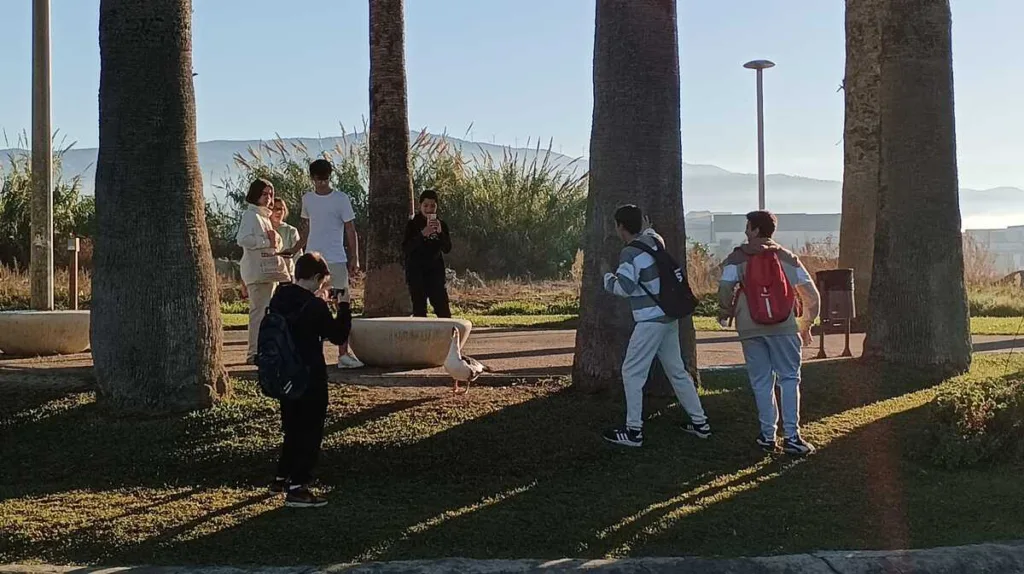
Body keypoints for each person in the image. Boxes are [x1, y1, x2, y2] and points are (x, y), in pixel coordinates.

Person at [602, 205, 710, 448]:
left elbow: (625, 288)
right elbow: (652, 233)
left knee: (631, 373)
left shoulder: (630, 253)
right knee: (677, 371)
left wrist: (606, 277)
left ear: (619, 226)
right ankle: (700, 423)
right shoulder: (653, 241)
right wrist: (646, 225)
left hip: (649, 321)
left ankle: (633, 432)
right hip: (668, 316)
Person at [717, 210, 820, 456]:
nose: (745, 231)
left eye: (747, 227)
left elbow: (724, 287)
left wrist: (724, 311)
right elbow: (811, 294)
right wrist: (806, 323)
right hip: (784, 326)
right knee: (789, 379)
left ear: (754, 230)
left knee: (761, 381)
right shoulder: (786, 257)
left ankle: (767, 435)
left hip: (749, 326)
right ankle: (793, 437)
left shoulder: (737, 257)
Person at [267, 252, 352, 508]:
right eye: (323, 282)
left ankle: (281, 477)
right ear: (317, 278)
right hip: (310, 375)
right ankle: (298, 487)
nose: (323, 287)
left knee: (292, 428)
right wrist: (344, 307)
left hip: (285, 375)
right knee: (310, 431)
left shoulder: (279, 298)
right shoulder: (315, 306)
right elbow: (338, 336)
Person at [285, 159, 364, 369]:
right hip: (312, 258)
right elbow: (306, 229)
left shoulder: (341, 199)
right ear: (312, 178)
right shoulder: (308, 199)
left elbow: (350, 229)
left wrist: (354, 257)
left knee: (342, 301)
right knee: (308, 303)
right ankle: (309, 349)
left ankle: (343, 354)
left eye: (325, 178)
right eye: (318, 179)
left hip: (336, 258)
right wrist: (294, 250)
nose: (321, 183)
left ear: (330, 176)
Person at [236, 178, 288, 364]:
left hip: (268, 271)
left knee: (265, 312)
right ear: (256, 194)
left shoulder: (264, 216)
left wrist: (274, 241)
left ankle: (262, 350)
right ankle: (253, 353)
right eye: (264, 194)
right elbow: (243, 239)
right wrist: (265, 242)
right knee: (258, 313)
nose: (268, 198)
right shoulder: (250, 216)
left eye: (271, 194)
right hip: (257, 272)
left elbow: (277, 243)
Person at [403, 189, 452, 318]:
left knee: (443, 308)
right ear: (420, 206)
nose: (429, 209)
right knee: (419, 310)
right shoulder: (412, 225)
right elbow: (406, 248)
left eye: (432, 206)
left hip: (435, 271)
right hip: (416, 272)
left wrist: (440, 233)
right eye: (426, 205)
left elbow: (447, 248)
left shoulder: (441, 224)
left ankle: (447, 336)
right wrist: (422, 234)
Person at [271, 198, 301, 282]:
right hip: (268, 273)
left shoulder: (291, 230)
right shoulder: (263, 228)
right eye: (275, 208)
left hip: (287, 274)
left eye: (281, 209)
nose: (278, 212)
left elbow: (298, 255)